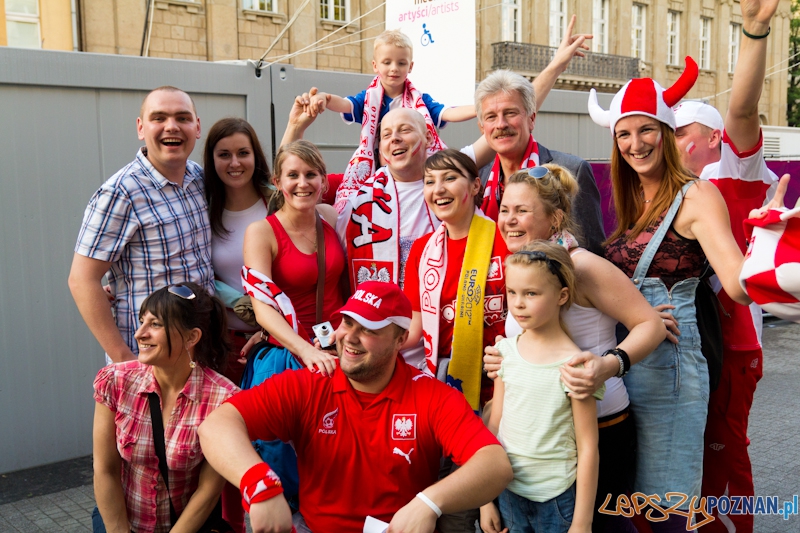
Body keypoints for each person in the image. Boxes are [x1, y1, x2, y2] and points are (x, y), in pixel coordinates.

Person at [585, 56, 755, 530]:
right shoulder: (629, 196)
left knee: (665, 510)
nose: (635, 144)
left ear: (665, 130)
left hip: (670, 374)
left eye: (646, 131)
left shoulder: (698, 195)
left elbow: (738, 285)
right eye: (624, 134)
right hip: (621, 368)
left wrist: (772, 246)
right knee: (627, 506)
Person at [198, 281, 513, 533]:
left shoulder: (431, 395)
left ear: (401, 339)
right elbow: (216, 426)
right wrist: (258, 483)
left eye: (370, 330)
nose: (350, 338)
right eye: (348, 322)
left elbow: (495, 465)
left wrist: (429, 503)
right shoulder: (310, 383)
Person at [484, 164, 665, 532]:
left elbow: (650, 325)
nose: (509, 220)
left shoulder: (582, 266)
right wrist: (507, 356)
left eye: (522, 211)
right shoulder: (522, 270)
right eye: (505, 210)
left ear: (556, 218)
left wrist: (608, 365)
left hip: (600, 429)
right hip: (541, 436)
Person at [671, 4, 780, 528]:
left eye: (680, 131)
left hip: (734, 342)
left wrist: (754, 32)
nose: (670, 141)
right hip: (682, 343)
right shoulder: (662, 188)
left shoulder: (731, 168)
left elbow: (742, 109)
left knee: (724, 449)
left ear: (713, 139)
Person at [402, 149, 508, 532]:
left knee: (471, 505)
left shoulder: (502, 239)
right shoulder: (422, 250)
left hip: (497, 387)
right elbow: (413, 329)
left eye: (449, 178)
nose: (438, 189)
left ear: (476, 185)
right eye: (429, 182)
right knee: (434, 499)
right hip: (438, 387)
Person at [69, 86, 213, 364]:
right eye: (159, 118)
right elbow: (81, 280)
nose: (171, 127)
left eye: (182, 118)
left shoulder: (199, 179)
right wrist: (124, 359)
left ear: (196, 127)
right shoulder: (121, 193)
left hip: (199, 351)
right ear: (141, 127)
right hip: (148, 360)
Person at [92, 282, 237, 533]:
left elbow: (209, 491)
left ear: (192, 337)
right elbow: (104, 469)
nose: (139, 333)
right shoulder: (116, 381)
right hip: (120, 520)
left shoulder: (223, 399)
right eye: (141, 321)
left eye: (155, 324)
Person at [481, 241, 602, 533]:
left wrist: (582, 523)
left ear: (562, 296)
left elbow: (588, 447)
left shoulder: (576, 365)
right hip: (508, 493)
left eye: (531, 293)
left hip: (557, 500)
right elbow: (494, 426)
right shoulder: (504, 353)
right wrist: (485, 500)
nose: (518, 303)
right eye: (512, 292)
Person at [474, 18, 605, 256]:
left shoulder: (571, 171)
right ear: (482, 127)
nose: (501, 124)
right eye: (491, 117)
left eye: (511, 113)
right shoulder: (477, 178)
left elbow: (593, 252)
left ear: (531, 119)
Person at [305, 29, 476, 211]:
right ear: (375, 65)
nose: (394, 68)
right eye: (387, 62)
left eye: (401, 63)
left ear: (410, 66)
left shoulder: (420, 100)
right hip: (381, 172)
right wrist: (325, 97)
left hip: (413, 175)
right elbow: (345, 104)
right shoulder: (368, 98)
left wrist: (481, 109)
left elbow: (448, 112)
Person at [203, 117, 273, 533]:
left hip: (273, 343)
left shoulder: (276, 201)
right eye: (224, 154)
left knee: (275, 441)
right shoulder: (201, 206)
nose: (234, 163)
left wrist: (267, 322)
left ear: (255, 156)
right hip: (222, 347)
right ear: (211, 159)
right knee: (230, 444)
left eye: (243, 153)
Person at [241, 140, 345, 376]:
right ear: (278, 182)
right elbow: (263, 308)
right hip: (291, 356)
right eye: (293, 175)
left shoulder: (330, 216)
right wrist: (306, 351)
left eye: (311, 174)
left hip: (337, 348)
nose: (303, 183)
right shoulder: (261, 232)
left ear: (323, 180)